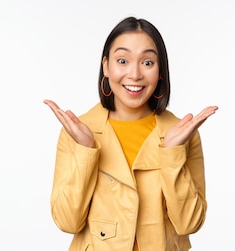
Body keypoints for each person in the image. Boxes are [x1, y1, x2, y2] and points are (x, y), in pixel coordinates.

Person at [43, 16, 218, 251]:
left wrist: (172, 153)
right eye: (122, 60)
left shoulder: (181, 134)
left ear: (160, 70)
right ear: (106, 65)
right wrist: (86, 150)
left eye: (147, 63)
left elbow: (190, 224)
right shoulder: (78, 132)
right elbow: (67, 222)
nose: (135, 74)